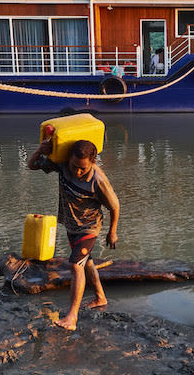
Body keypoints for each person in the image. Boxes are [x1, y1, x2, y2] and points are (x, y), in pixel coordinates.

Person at [28, 139, 120, 331]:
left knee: (75, 264)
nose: (77, 171)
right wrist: (40, 150)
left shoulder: (98, 180)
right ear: (68, 158)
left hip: (90, 227)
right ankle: (100, 297)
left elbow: (115, 206)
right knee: (86, 262)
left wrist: (112, 232)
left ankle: (72, 317)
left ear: (93, 162)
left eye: (82, 169)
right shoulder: (62, 166)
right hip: (71, 225)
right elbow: (32, 165)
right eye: (74, 166)